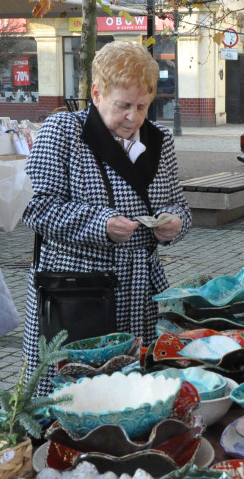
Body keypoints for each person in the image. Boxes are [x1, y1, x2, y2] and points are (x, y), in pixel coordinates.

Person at [22, 41, 192, 395]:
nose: (134, 117)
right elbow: (34, 206)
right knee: (70, 400)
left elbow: (179, 205)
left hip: (140, 296)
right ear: (96, 94)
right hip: (77, 298)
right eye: (123, 106)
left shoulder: (160, 141)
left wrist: (174, 223)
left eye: (142, 106)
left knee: (131, 398)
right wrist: (101, 225)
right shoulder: (63, 131)